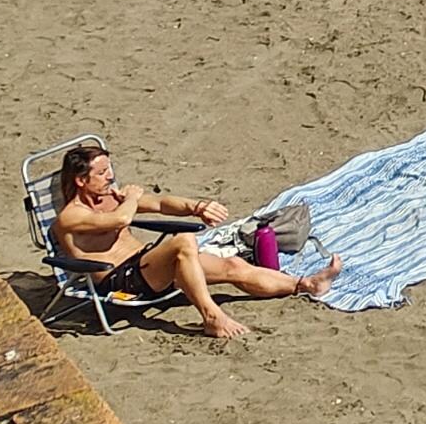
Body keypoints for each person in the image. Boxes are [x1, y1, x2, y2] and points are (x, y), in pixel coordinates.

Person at [44, 143, 332, 340]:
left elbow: (159, 203)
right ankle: (211, 317)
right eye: (102, 173)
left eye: (110, 170)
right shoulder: (71, 217)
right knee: (183, 242)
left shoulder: (110, 198)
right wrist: (130, 198)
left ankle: (303, 284)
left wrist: (197, 206)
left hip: (147, 265)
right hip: (121, 281)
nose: (110, 177)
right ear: (81, 181)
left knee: (232, 264)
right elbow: (119, 221)